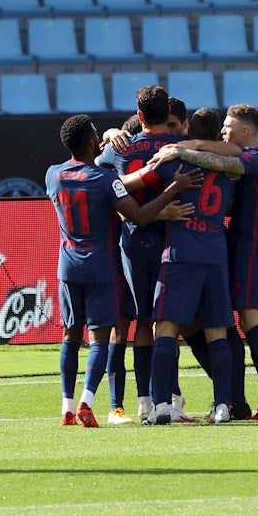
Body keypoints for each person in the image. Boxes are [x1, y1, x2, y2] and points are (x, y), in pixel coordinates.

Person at [152, 103, 258, 422]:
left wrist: (179, 152)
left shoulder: (255, 159)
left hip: (251, 246)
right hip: (239, 245)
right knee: (239, 324)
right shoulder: (252, 158)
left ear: (244, 131)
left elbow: (219, 162)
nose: (224, 131)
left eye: (229, 127)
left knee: (251, 320)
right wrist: (191, 144)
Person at [47, 114, 199, 428]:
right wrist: (174, 188)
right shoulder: (105, 180)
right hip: (101, 267)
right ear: (93, 142)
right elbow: (141, 216)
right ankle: (87, 403)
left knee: (70, 336)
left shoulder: (53, 175)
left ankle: (66, 406)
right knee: (100, 338)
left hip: (67, 266)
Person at [122, 108, 237, 425]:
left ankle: (160, 405)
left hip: (180, 253)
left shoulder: (172, 160)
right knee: (216, 332)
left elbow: (126, 187)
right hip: (215, 253)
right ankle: (223, 405)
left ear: (188, 132)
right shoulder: (231, 168)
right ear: (217, 135)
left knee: (166, 329)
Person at [96, 86, 192, 424]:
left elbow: (97, 163)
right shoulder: (181, 150)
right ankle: (171, 399)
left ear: (138, 116)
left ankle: (144, 401)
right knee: (167, 320)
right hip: (172, 239)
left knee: (140, 321)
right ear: (167, 112)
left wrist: (110, 135)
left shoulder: (124, 147)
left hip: (134, 241)